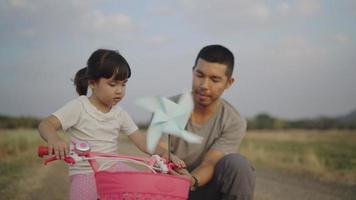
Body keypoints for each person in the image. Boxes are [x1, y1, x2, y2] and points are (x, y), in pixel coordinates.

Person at [38, 49, 173, 200]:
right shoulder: (79, 106)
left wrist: (165, 154)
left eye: (123, 84)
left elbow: (141, 140)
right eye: (113, 84)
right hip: (85, 172)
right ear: (92, 83)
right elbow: (46, 124)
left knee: (144, 188)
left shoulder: (119, 113)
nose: (119, 91)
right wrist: (54, 139)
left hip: (113, 168)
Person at [169, 44, 256, 200]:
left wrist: (191, 181)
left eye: (215, 79)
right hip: (167, 187)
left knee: (238, 165)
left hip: (200, 187)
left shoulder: (234, 121)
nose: (204, 85)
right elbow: (159, 154)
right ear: (193, 72)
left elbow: (210, 163)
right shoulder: (169, 108)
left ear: (229, 82)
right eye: (200, 75)